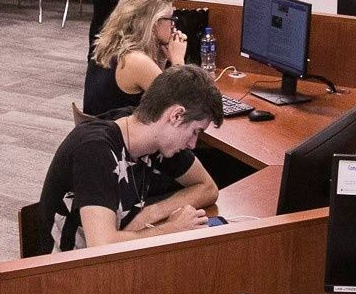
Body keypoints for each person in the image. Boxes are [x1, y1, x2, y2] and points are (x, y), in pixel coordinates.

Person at [35, 64, 220, 252]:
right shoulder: (95, 150)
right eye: (195, 132)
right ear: (176, 116)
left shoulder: (152, 136)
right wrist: (171, 229)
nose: (193, 144)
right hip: (65, 271)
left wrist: (149, 214)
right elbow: (101, 246)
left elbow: (208, 188)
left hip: (113, 262)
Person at [83, 0, 185, 117]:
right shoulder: (135, 60)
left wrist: (162, 57)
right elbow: (180, 106)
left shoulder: (108, 46)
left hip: (99, 132)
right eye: (171, 18)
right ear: (153, 23)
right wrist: (178, 61)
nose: (173, 25)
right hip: (119, 136)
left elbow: (154, 88)